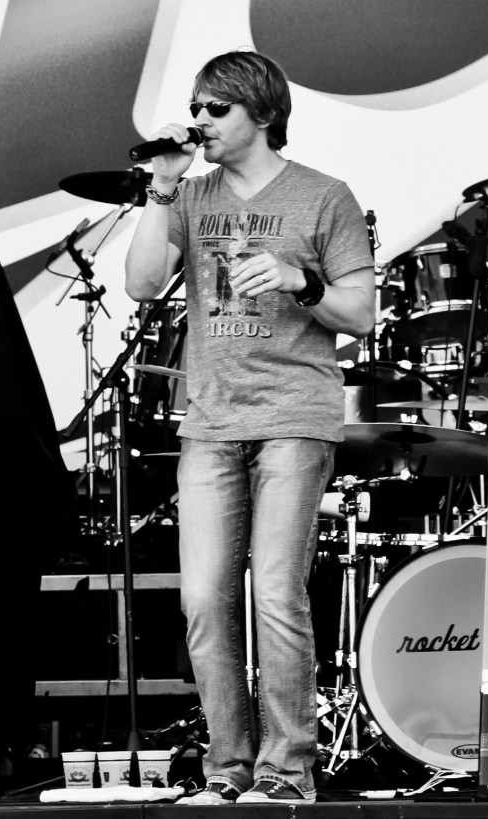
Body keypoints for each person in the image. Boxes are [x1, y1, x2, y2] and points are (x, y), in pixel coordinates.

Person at [124, 50, 375, 806]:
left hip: (294, 415)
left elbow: (361, 315)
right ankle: (227, 768)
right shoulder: (190, 196)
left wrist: (303, 281)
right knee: (204, 600)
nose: (199, 120)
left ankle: (287, 771)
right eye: (195, 107)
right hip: (210, 421)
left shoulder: (324, 196)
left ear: (261, 114)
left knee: (274, 590)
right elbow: (141, 284)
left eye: (216, 108)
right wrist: (161, 188)